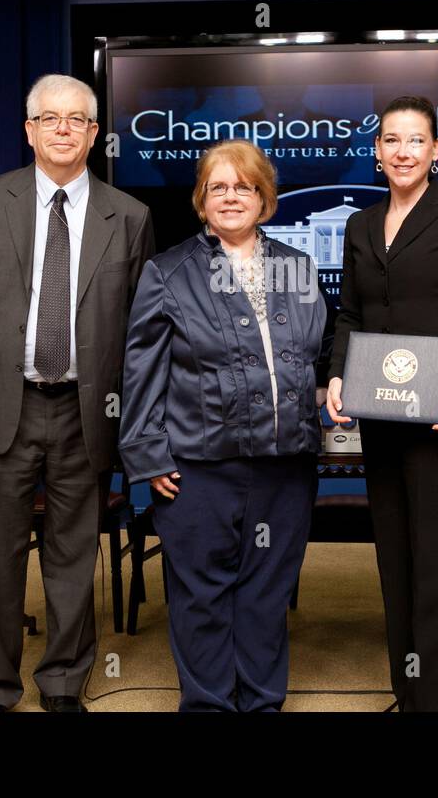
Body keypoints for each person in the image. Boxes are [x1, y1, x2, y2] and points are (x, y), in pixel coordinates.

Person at [0, 73, 155, 712]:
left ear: (94, 133)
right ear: (29, 130)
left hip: (87, 412)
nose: (64, 129)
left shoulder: (131, 216)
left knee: (72, 553)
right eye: (50, 118)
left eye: (77, 120)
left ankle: (63, 681)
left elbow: (141, 319)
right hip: (6, 402)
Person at [120, 139, 326, 711]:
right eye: (218, 187)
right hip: (197, 467)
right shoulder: (168, 271)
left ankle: (261, 702)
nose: (231, 197)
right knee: (201, 596)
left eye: (245, 187)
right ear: (200, 200)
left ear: (265, 198)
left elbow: (321, 352)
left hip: (286, 465)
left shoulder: (298, 266)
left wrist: (342, 383)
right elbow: (141, 371)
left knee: (266, 593)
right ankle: (209, 705)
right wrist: (148, 453)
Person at [325, 96, 438, 712]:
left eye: (415, 141)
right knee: (397, 561)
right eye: (391, 141)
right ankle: (411, 690)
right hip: (382, 419)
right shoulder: (360, 225)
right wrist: (337, 375)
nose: (403, 152)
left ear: (436, 151)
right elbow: (349, 312)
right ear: (377, 152)